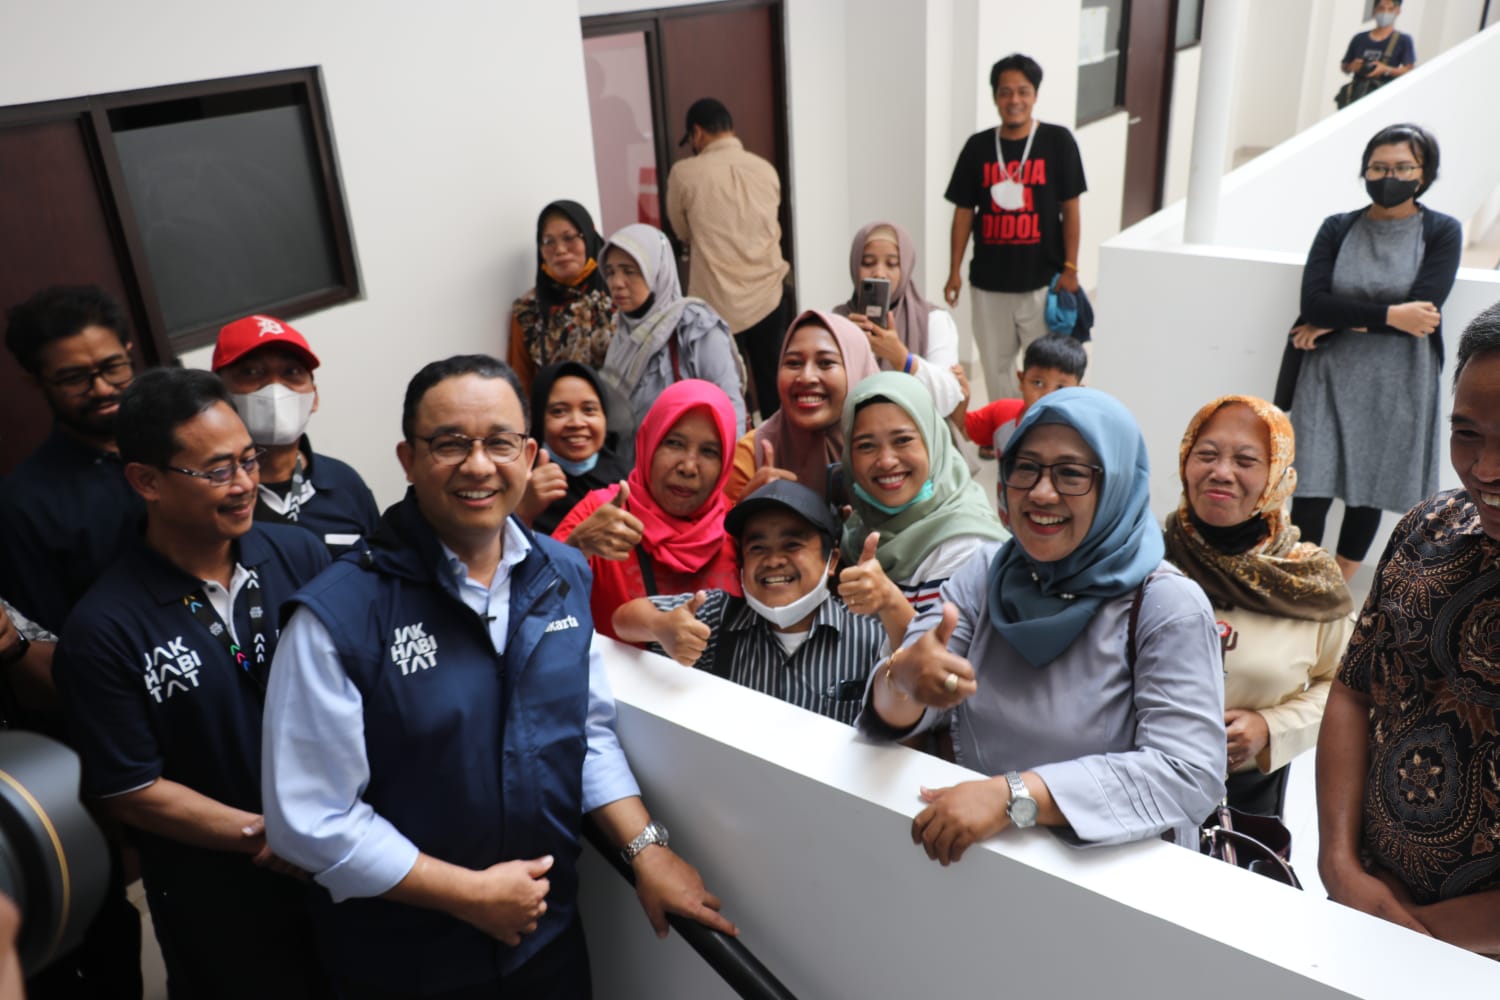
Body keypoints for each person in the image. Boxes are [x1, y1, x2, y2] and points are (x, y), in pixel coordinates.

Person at [262, 356, 735, 997]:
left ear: (529, 454)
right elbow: (311, 818)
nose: (479, 465)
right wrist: (469, 894)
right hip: (405, 959)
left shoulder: (563, 574)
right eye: (450, 444)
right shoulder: (339, 616)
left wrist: (647, 849)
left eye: (500, 443)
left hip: (546, 938)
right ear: (408, 459)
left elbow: (585, 732)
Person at [52, 368, 330, 998]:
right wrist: (267, 834)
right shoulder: (104, 629)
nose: (245, 484)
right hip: (221, 899)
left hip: (338, 860)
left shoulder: (300, 554)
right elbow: (131, 789)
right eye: (216, 471)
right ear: (146, 481)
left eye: (248, 460)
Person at [861, 388, 1226, 863]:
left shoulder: (1166, 604)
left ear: (1116, 483)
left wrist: (1014, 796)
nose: (1041, 492)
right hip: (984, 865)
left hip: (1108, 879)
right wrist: (904, 679)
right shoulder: (985, 573)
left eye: (1071, 473)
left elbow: (1187, 772)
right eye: (1026, 467)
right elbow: (900, 700)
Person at [1316, 304, 1500, 955]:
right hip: (1366, 912)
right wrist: (1340, 864)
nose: (1485, 468)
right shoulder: (1428, 531)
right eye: (1467, 433)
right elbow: (1352, 690)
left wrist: (1418, 936)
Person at [1164, 395, 1353, 822]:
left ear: (1277, 475)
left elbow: (1349, 688)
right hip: (1133, 778)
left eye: (1246, 461)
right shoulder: (1150, 560)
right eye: (1206, 455)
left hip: (1245, 798)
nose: (1221, 472)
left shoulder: (1308, 581)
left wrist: (1272, 727)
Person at [1286, 123, 1460, 582]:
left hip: (1400, 377)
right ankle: (1300, 583)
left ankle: (1336, 585)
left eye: (1403, 167)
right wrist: (1390, 315)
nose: (1389, 177)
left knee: (1370, 485)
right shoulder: (1337, 227)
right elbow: (1314, 304)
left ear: (1425, 172)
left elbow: (1423, 314)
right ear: (1364, 170)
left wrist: (1340, 318)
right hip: (1327, 373)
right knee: (1310, 483)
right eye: (1379, 167)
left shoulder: (1442, 231)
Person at [613, 480, 890, 726]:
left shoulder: (872, 638)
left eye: (792, 545)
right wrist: (661, 626)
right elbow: (622, 620)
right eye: (757, 548)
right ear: (742, 562)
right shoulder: (716, 617)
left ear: (832, 560)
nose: (773, 561)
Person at [0, 285, 144, 635]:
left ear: (128, 351)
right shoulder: (24, 503)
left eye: (113, 367)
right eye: (74, 378)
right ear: (36, 381)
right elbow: (48, 639)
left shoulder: (186, 444)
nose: (102, 389)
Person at [943, 53, 1086, 399]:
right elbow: (964, 213)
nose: (1014, 100)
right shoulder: (978, 147)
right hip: (988, 285)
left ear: (1035, 95)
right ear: (995, 97)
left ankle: (1043, 424)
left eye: (1023, 91)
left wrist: (1071, 267)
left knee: (1046, 370)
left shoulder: (1057, 141)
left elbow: (1071, 208)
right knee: (996, 368)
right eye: (1005, 92)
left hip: (1042, 283)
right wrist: (954, 271)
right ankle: (1005, 426)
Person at [554, 379, 741, 641]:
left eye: (709, 452)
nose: (688, 467)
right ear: (649, 442)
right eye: (674, 443)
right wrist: (576, 548)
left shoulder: (737, 528)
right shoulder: (603, 514)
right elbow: (530, 605)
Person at [666, 97, 794, 419]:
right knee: (773, 385)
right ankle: (780, 443)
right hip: (769, 295)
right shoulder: (765, 169)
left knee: (727, 391)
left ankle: (738, 445)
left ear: (697, 133)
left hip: (717, 304)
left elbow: (682, 231)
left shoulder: (684, 174)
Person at [840, 373, 1008, 616]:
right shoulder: (859, 529)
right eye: (866, 445)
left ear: (932, 441)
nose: (886, 461)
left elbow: (947, 640)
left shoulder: (965, 548)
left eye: (903, 440)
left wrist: (890, 602)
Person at [212, 314, 380, 555]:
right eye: (251, 372)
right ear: (219, 395)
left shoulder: (344, 482)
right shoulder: (212, 496)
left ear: (314, 396)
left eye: (291, 371)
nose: (275, 388)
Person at [599, 223, 747, 446]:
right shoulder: (619, 334)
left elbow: (730, 407)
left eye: (629, 271)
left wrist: (730, 463)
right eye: (610, 272)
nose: (616, 283)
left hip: (690, 464)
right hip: (633, 466)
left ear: (657, 272)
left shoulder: (694, 327)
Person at [725, 310, 880, 503]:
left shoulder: (890, 451)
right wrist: (748, 510)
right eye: (793, 363)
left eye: (825, 363)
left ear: (856, 370)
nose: (806, 377)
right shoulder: (753, 453)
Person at [834, 221, 964, 421]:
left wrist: (901, 358)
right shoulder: (837, 321)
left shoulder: (933, 320)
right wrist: (848, 345)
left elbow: (948, 400)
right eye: (868, 263)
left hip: (915, 431)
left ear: (905, 268)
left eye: (892, 264)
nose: (879, 273)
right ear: (854, 266)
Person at [507, 200, 617, 391]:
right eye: (549, 241)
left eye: (569, 237)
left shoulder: (619, 293)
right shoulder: (528, 311)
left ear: (588, 237)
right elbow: (520, 386)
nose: (560, 250)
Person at [517, 361, 632, 536]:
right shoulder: (519, 479)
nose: (577, 423)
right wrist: (523, 507)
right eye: (559, 411)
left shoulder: (629, 481)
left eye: (589, 410)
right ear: (539, 419)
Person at [963, 332, 1086, 467]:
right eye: (1038, 383)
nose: (1047, 396)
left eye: (1060, 388)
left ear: (1078, 392)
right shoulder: (1001, 412)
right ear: (1022, 380)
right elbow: (960, 431)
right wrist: (962, 398)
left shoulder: (1084, 436)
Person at [1338, 0, 1416, 108]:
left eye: (1390, 9)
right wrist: (1352, 66)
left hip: (1385, 94)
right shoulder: (1359, 38)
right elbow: (1345, 66)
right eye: (1381, 8)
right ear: (1374, 11)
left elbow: (1409, 70)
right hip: (1357, 93)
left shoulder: (1403, 40)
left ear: (1397, 11)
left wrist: (1385, 69)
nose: (1385, 12)